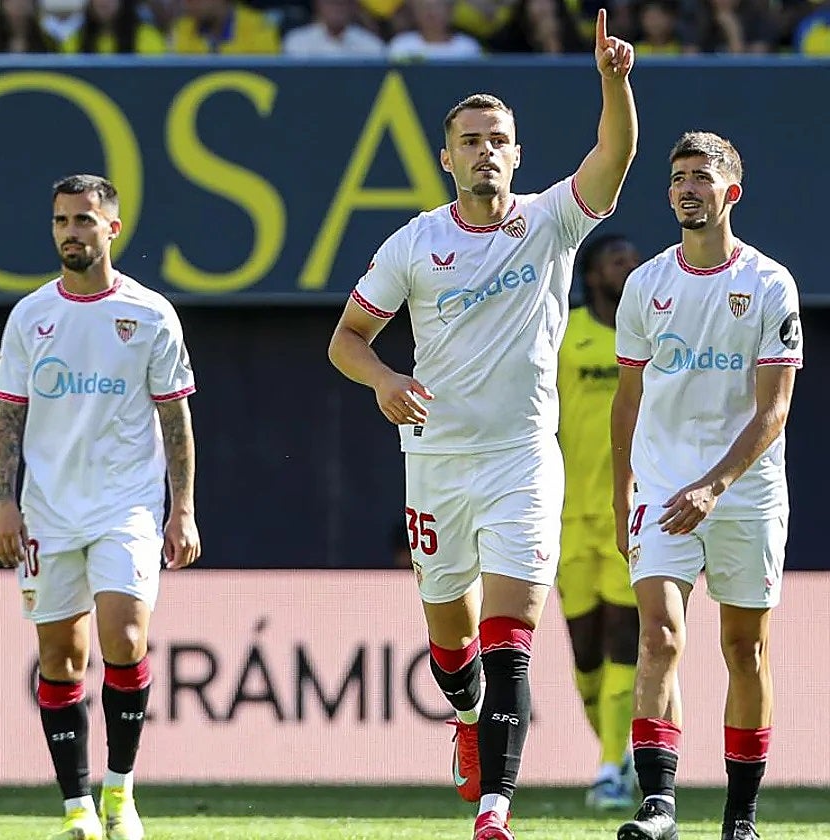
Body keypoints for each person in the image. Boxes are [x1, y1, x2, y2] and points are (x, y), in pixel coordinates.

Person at [327, 11, 637, 839]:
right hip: (435, 462)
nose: (486, 151)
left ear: (518, 152)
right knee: (453, 651)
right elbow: (345, 342)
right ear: (446, 157)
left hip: (523, 461)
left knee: (512, 637)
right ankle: (464, 718)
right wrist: (388, 377)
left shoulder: (548, 221)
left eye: (498, 138)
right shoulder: (414, 244)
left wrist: (614, 81)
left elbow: (611, 163)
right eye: (470, 140)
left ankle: (495, 812)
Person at [0, 174, 200, 840]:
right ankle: (76, 805)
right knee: (59, 659)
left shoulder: (149, 314)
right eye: (60, 221)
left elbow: (175, 418)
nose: (71, 233)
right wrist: (2, 504)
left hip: (126, 507)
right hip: (47, 511)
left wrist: (182, 509)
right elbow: (6, 418)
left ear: (112, 228)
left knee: (126, 639)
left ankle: (120, 792)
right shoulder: (30, 316)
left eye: (83, 220)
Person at [612, 132, 801, 840]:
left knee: (744, 649)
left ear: (732, 192)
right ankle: (658, 806)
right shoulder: (645, 284)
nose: (688, 187)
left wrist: (717, 486)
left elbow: (774, 409)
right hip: (661, 484)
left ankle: (740, 817)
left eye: (702, 177)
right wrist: (621, 485)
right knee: (660, 635)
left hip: (744, 489)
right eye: (678, 178)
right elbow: (627, 398)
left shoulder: (770, 284)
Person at [557, 233, 643, 810]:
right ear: (592, 276)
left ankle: (611, 766)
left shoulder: (653, 339)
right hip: (565, 516)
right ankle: (618, 752)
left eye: (635, 262)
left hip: (629, 512)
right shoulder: (565, 336)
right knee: (586, 655)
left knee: (625, 639)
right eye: (619, 262)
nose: (630, 269)